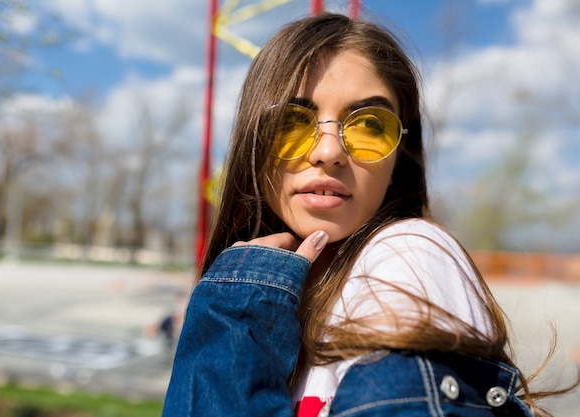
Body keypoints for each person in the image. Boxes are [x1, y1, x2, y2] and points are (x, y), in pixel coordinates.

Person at [162, 12, 577, 417]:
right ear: (255, 139)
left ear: (400, 155)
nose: (327, 153)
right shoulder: (277, 284)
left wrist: (234, 316)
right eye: (291, 122)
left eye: (369, 126)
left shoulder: (410, 257)